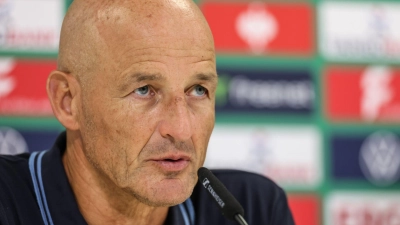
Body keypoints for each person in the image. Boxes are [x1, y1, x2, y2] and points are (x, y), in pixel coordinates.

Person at [0, 0, 295, 224]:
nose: (181, 129)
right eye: (144, 90)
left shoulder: (253, 209)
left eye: (197, 90)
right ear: (68, 101)